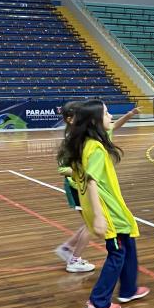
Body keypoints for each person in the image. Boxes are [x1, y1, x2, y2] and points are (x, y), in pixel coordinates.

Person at [58, 99, 148, 308]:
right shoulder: (95, 148)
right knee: (117, 253)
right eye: (107, 113)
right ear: (95, 121)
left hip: (113, 207)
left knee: (128, 243)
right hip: (108, 210)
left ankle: (128, 289)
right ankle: (99, 302)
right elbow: (91, 181)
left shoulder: (87, 142)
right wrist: (98, 216)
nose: (111, 117)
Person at [54, 101, 96, 273]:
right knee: (92, 223)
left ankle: (67, 248)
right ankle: (74, 259)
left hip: (83, 185)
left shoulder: (83, 135)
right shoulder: (71, 140)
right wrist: (82, 173)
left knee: (90, 222)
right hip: (76, 187)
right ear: (71, 119)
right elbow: (62, 168)